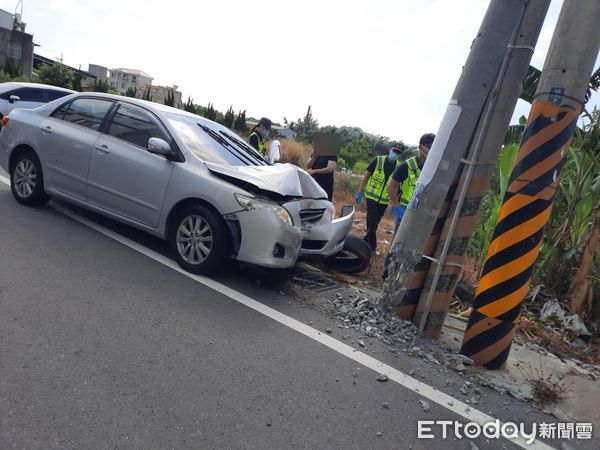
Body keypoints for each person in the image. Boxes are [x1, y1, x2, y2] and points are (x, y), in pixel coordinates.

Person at [382, 133, 435, 279]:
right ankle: (387, 272)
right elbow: (392, 187)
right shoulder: (407, 165)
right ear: (421, 147)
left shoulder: (434, 167)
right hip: (406, 210)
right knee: (399, 242)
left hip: (423, 212)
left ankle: (404, 275)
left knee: (416, 244)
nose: (432, 150)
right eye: (429, 147)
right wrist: (397, 205)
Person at [354, 143, 404, 252]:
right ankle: (372, 247)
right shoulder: (378, 160)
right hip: (371, 196)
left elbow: (399, 187)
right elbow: (366, 177)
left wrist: (396, 202)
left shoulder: (399, 167)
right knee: (371, 219)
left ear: (400, 155)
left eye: (398, 153)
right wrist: (360, 192)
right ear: (390, 149)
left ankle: (365, 242)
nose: (395, 154)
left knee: (375, 223)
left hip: (384, 200)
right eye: (394, 151)